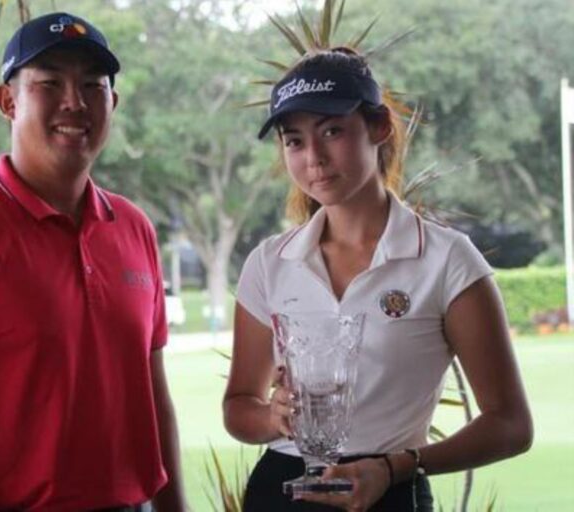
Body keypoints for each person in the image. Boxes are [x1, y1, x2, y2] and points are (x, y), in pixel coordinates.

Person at [0, 12, 186, 512]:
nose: (75, 101)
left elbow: (153, 394)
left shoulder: (134, 227)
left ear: (113, 102)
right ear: (8, 101)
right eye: (49, 83)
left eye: (93, 85)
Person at [222, 47, 533, 511]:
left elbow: (510, 424)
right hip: (281, 490)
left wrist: (394, 467)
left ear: (378, 127)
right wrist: (273, 417)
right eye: (294, 141)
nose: (314, 158)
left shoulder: (447, 260)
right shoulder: (270, 262)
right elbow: (238, 408)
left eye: (332, 131)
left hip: (390, 489)